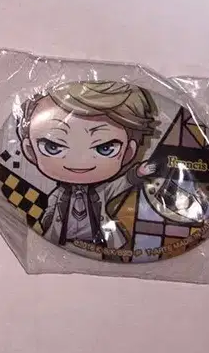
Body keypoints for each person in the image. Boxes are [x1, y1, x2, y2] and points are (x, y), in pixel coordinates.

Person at [18, 81, 160, 249]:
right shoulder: (60, 193)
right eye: (53, 147)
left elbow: (121, 184)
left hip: (97, 240)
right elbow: (50, 207)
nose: (79, 161)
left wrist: (138, 173)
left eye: (105, 148)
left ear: (129, 152)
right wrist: (47, 220)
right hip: (61, 240)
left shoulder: (101, 192)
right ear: (30, 150)